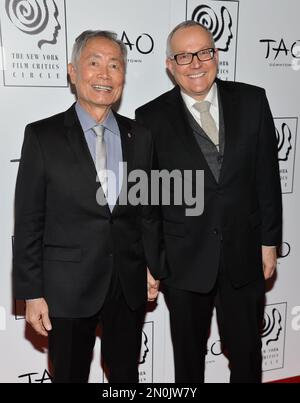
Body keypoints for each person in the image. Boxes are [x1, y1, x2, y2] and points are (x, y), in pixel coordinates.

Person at [13, 30, 163, 383]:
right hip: (67, 287)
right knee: (69, 375)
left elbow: (147, 211)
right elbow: (29, 221)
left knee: (126, 375)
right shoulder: (42, 136)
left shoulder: (140, 136)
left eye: (114, 65)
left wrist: (152, 266)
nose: (104, 74)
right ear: (72, 71)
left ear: (123, 77)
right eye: (94, 63)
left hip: (127, 284)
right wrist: (31, 293)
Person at [136, 21, 282, 383]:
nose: (196, 63)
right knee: (188, 362)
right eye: (184, 56)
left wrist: (269, 242)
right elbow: (148, 203)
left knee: (247, 355)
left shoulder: (252, 100)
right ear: (170, 65)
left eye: (203, 52)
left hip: (244, 254)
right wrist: (153, 262)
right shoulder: (149, 118)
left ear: (216, 55)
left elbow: (267, 176)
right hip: (184, 263)